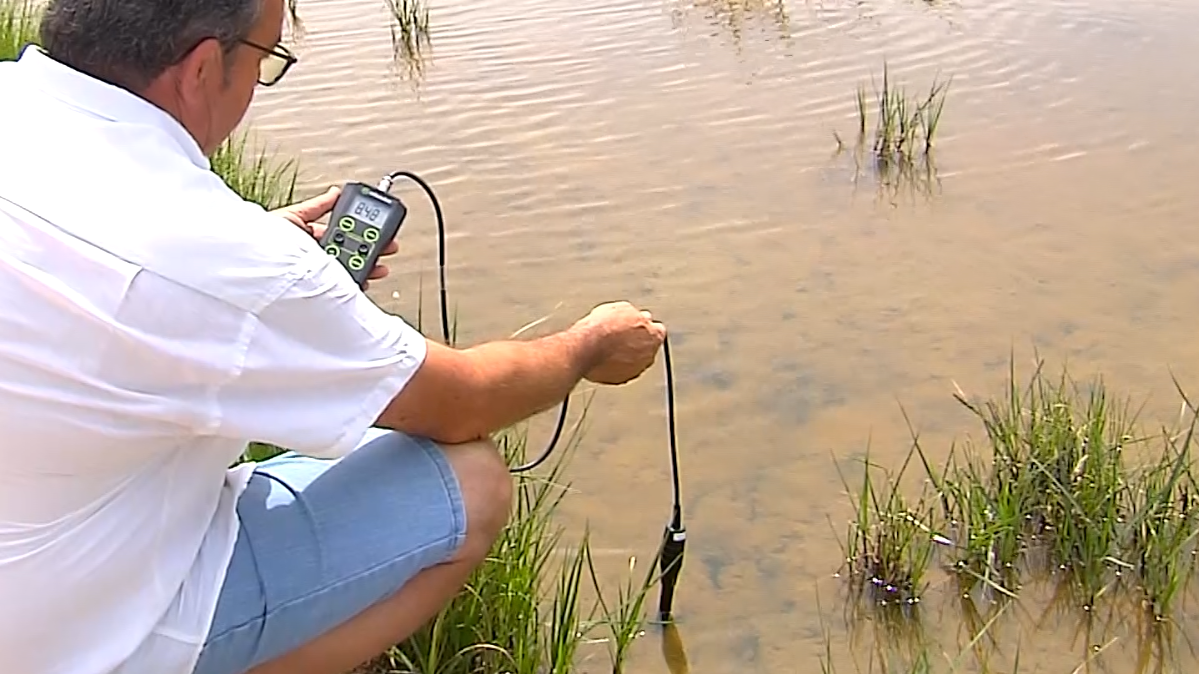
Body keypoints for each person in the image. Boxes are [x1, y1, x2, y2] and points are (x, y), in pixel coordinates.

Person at [0, 0, 667, 671]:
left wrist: (255, 253)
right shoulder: (220, 259)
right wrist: (588, 345)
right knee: (472, 482)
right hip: (63, 635)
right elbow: (465, 402)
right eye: (265, 60)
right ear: (204, 66)